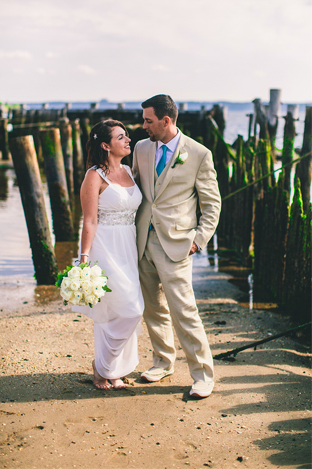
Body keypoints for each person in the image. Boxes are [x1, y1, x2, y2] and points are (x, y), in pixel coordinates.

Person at [132, 94, 220, 399]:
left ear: (166, 121)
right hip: (143, 239)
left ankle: (203, 375)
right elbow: (135, 189)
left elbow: (212, 204)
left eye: (148, 120)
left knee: (184, 310)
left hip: (178, 244)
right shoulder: (141, 148)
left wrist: (199, 239)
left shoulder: (198, 153)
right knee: (153, 307)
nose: (143, 125)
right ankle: (163, 361)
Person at [74, 119, 145, 390]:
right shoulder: (94, 176)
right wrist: (83, 258)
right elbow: (89, 221)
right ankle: (101, 367)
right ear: (105, 145)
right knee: (129, 310)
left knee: (119, 311)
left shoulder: (128, 170)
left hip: (129, 246)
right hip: (105, 248)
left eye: (126, 135)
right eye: (120, 137)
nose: (128, 140)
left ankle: (113, 371)